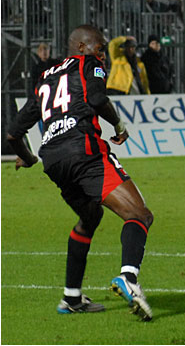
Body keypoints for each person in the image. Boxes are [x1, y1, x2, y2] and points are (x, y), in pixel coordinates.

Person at [6, 24, 154, 320]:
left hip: (54, 160)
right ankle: (129, 278)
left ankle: (71, 297)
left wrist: (29, 158)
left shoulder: (45, 79)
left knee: (89, 218)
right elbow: (98, 99)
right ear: (82, 47)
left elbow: (12, 134)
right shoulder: (90, 65)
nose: (103, 55)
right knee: (140, 215)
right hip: (83, 151)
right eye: (99, 48)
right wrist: (119, 126)